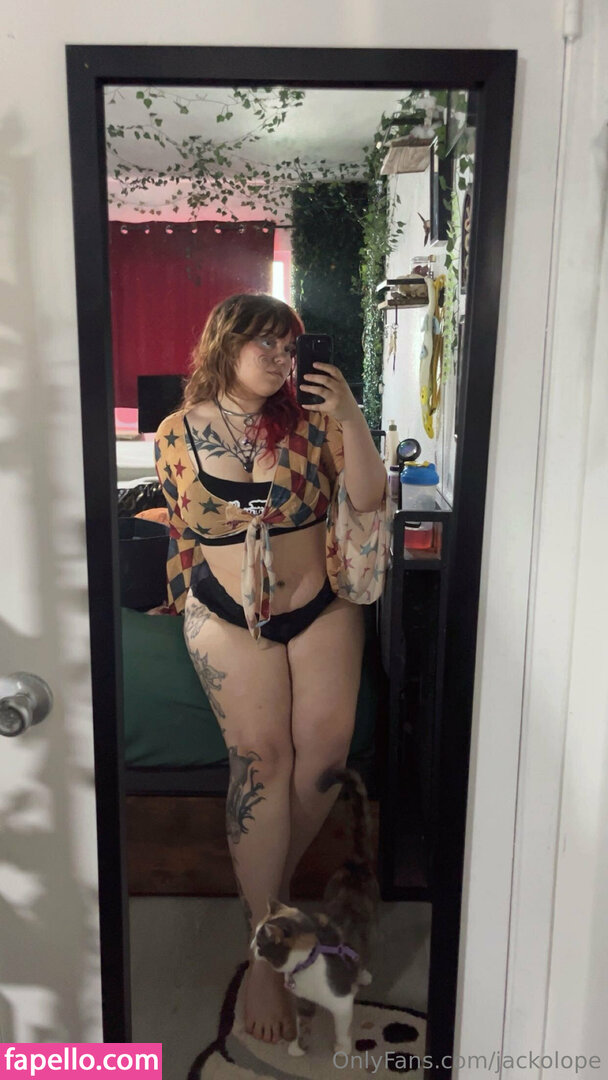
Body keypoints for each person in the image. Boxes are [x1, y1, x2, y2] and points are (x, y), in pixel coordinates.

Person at [154, 293, 390, 1044]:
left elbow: (369, 497)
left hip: (320, 602)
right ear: (224, 343)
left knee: (323, 754)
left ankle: (272, 895)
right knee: (261, 758)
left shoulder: (315, 420)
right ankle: (268, 948)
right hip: (227, 610)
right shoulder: (176, 432)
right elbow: (181, 528)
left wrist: (350, 413)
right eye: (264, 342)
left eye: (289, 345)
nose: (280, 357)